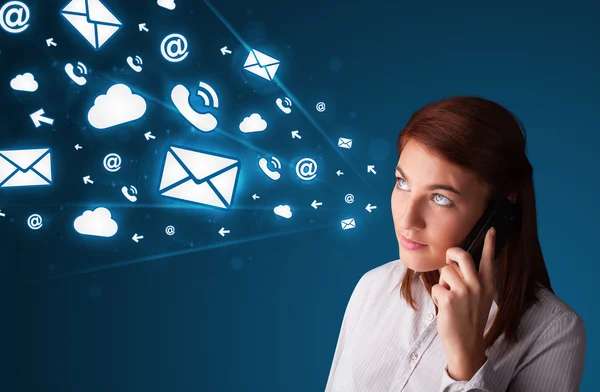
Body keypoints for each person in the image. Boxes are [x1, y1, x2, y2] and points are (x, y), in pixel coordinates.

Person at [324, 96, 586, 392]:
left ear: (500, 209)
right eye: (402, 183)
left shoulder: (553, 330)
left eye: (440, 198)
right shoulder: (372, 287)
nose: (408, 220)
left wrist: (466, 363)